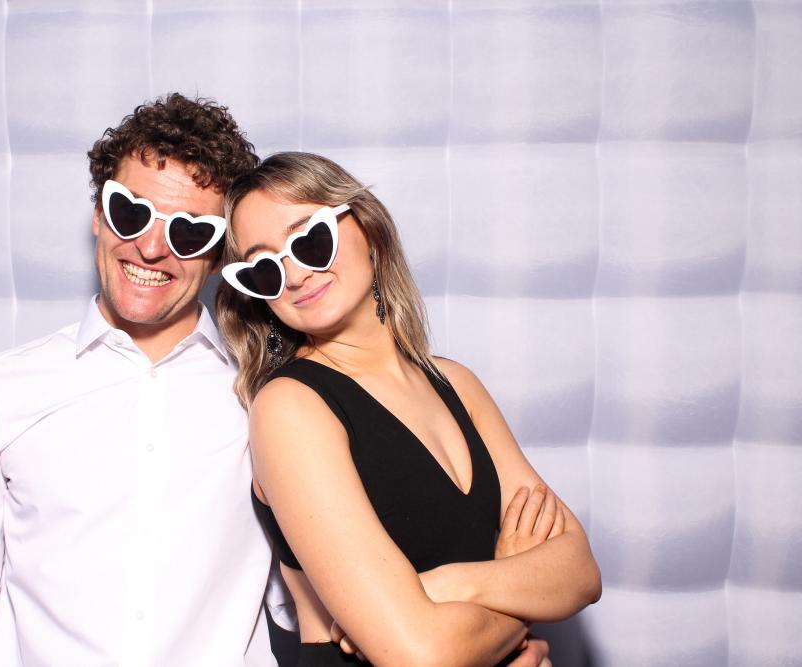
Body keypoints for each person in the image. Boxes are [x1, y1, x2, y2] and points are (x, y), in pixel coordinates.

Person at [0, 94, 292, 666]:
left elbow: (304, 596)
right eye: (131, 213)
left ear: (217, 256)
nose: (151, 248)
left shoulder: (269, 397)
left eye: (189, 233)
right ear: (98, 214)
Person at [215, 152, 602, 666]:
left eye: (309, 240)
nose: (295, 274)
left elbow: (579, 572)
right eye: (264, 268)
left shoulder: (457, 384)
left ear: (368, 230)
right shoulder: (290, 408)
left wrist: (447, 585)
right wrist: (522, 590)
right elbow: (419, 655)